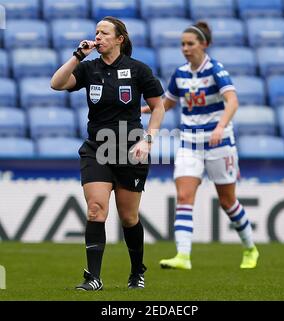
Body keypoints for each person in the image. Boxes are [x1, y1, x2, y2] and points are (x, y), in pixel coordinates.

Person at [51, 16, 165, 290]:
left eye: (104, 33)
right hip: (96, 149)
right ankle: (93, 278)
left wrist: (148, 140)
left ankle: (137, 271)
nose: (98, 37)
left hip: (130, 150)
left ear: (119, 39)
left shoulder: (139, 70)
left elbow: (158, 108)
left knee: (128, 218)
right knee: (95, 209)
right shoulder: (89, 69)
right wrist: (78, 55)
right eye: (96, 33)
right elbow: (56, 84)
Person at [142, 21, 259, 270]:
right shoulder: (181, 73)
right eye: (182, 44)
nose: (185, 48)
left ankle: (250, 248)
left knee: (228, 202)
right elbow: (168, 103)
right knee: (184, 196)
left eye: (190, 44)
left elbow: (233, 101)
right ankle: (183, 255)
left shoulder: (216, 70)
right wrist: (145, 109)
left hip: (219, 143)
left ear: (203, 45)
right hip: (189, 143)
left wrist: (220, 126)